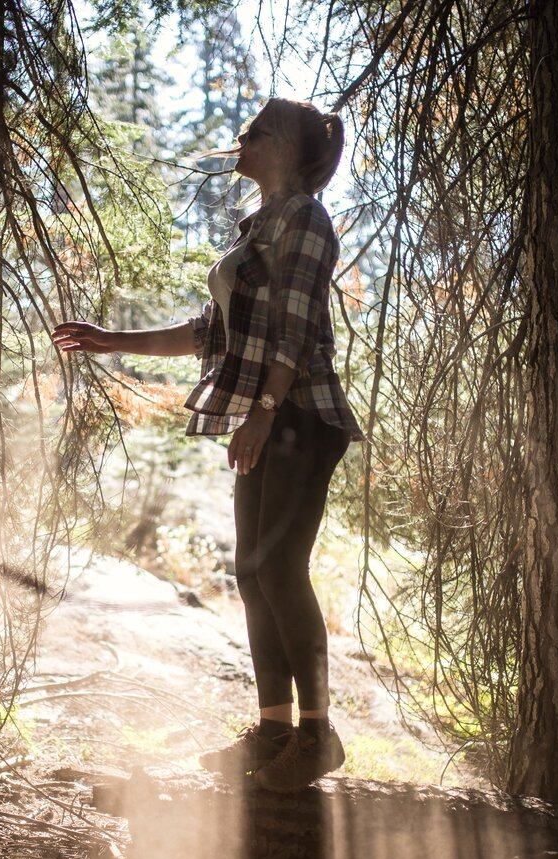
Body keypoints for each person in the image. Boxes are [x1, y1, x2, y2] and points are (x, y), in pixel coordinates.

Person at [51, 97, 365, 792]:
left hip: (301, 416)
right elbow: (208, 333)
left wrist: (262, 408)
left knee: (280, 568)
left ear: (284, 145)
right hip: (270, 413)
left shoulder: (305, 218)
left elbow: (294, 328)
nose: (242, 139)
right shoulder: (257, 227)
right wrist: (110, 341)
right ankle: (274, 730)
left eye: (256, 131)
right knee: (254, 574)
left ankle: (318, 736)